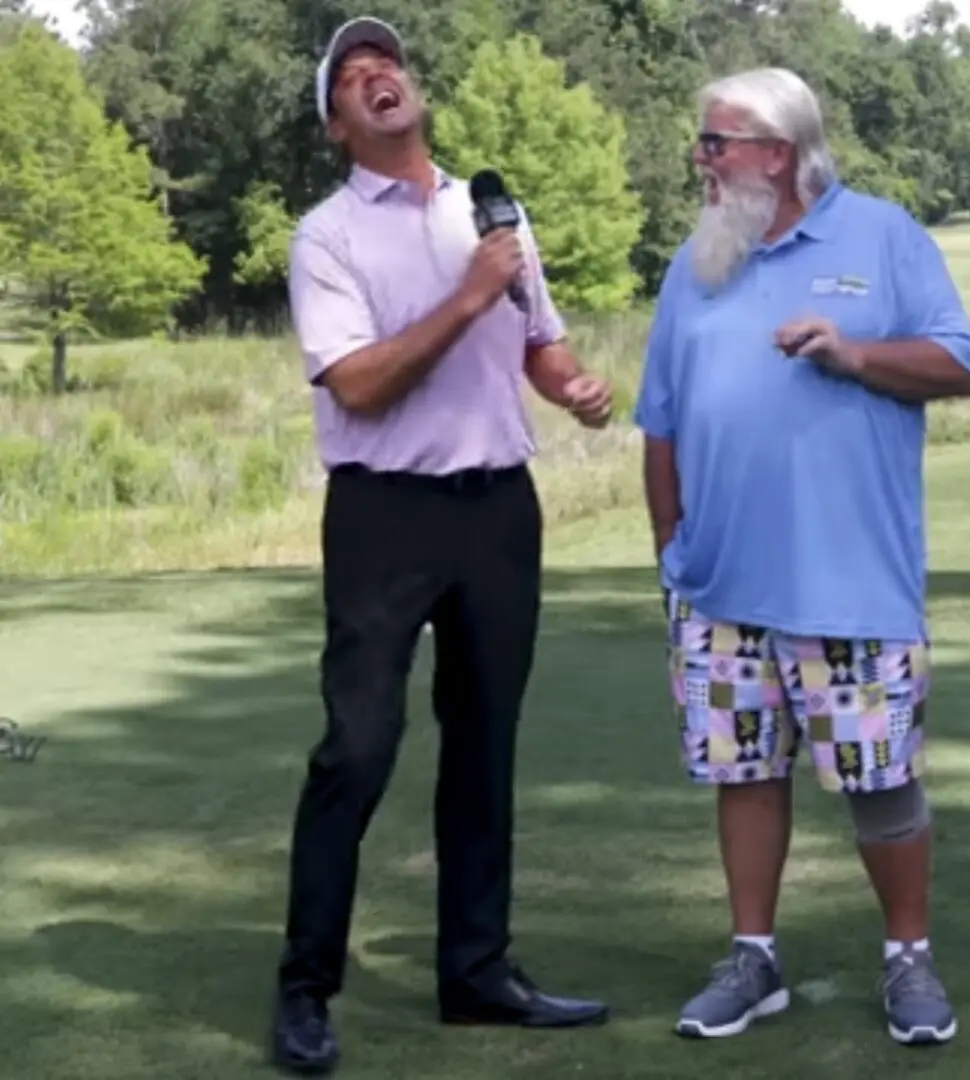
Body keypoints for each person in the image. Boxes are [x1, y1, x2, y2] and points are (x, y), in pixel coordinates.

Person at [270, 16, 613, 1074]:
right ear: (338, 127)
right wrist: (467, 295)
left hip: (498, 512)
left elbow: (537, 341)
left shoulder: (491, 214)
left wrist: (575, 389)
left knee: (485, 748)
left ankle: (476, 976)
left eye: (389, 64)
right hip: (384, 517)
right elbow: (361, 385)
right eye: (354, 76)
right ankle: (304, 989)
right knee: (357, 751)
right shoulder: (326, 238)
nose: (380, 77)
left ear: (413, 94)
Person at [632, 67, 970, 1047]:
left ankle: (907, 959)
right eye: (701, 143)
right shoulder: (695, 263)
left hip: (849, 581)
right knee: (743, 775)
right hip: (716, 590)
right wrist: (671, 553)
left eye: (716, 144)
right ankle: (754, 957)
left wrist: (854, 352)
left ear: (777, 155)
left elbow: (961, 363)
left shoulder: (883, 237)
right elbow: (658, 423)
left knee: (881, 781)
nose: (701, 162)